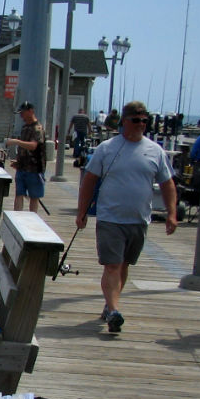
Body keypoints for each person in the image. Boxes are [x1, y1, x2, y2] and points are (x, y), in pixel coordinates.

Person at [75, 101, 178, 334]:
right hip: (110, 218)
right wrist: (82, 212)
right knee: (112, 265)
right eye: (136, 120)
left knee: (123, 265)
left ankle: (110, 303)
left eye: (144, 120)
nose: (141, 124)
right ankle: (114, 312)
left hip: (138, 219)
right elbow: (89, 180)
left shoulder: (155, 151)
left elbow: (167, 183)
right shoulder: (107, 148)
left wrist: (172, 214)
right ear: (124, 121)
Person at [5, 101, 46, 213]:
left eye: (23, 113)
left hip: (34, 169)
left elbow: (33, 146)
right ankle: (17, 218)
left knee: (34, 197)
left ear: (30, 111)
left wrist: (16, 141)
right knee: (19, 194)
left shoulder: (37, 128)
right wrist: (18, 162)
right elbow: (23, 150)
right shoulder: (24, 128)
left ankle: (33, 219)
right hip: (22, 168)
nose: (21, 116)